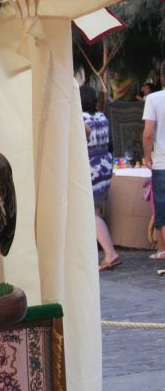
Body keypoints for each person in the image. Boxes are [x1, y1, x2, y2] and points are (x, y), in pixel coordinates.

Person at [80, 84, 121, 271]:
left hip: (91, 170)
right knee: (94, 211)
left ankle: (110, 253)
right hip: (105, 168)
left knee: (89, 213)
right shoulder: (102, 117)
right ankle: (101, 253)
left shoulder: (82, 119)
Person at [143, 61, 165, 276]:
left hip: (162, 163)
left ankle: (163, 249)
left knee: (163, 211)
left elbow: (148, 133)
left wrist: (147, 156)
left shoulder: (153, 99)